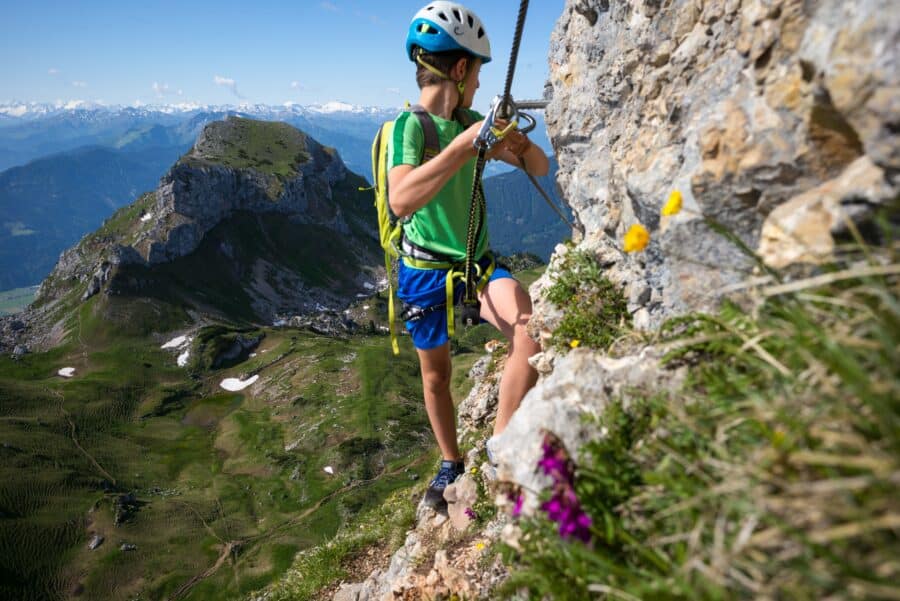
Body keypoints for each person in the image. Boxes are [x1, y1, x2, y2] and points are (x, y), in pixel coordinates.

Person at [390, 1, 549, 509]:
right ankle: (450, 462)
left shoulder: (475, 119)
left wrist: (514, 142)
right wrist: (464, 145)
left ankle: (500, 447)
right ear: (460, 69)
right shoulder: (408, 129)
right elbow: (401, 199)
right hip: (423, 270)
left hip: (474, 266)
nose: (480, 84)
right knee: (435, 377)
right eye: (478, 72)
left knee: (530, 327)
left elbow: (540, 168)